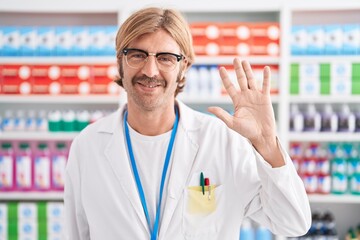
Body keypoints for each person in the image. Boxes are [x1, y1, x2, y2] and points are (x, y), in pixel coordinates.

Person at [64, 7, 311, 240]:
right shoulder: (88, 146)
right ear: (120, 61)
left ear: (185, 67)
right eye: (137, 55)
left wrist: (266, 144)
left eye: (166, 58)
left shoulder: (221, 141)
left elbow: (292, 222)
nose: (150, 70)